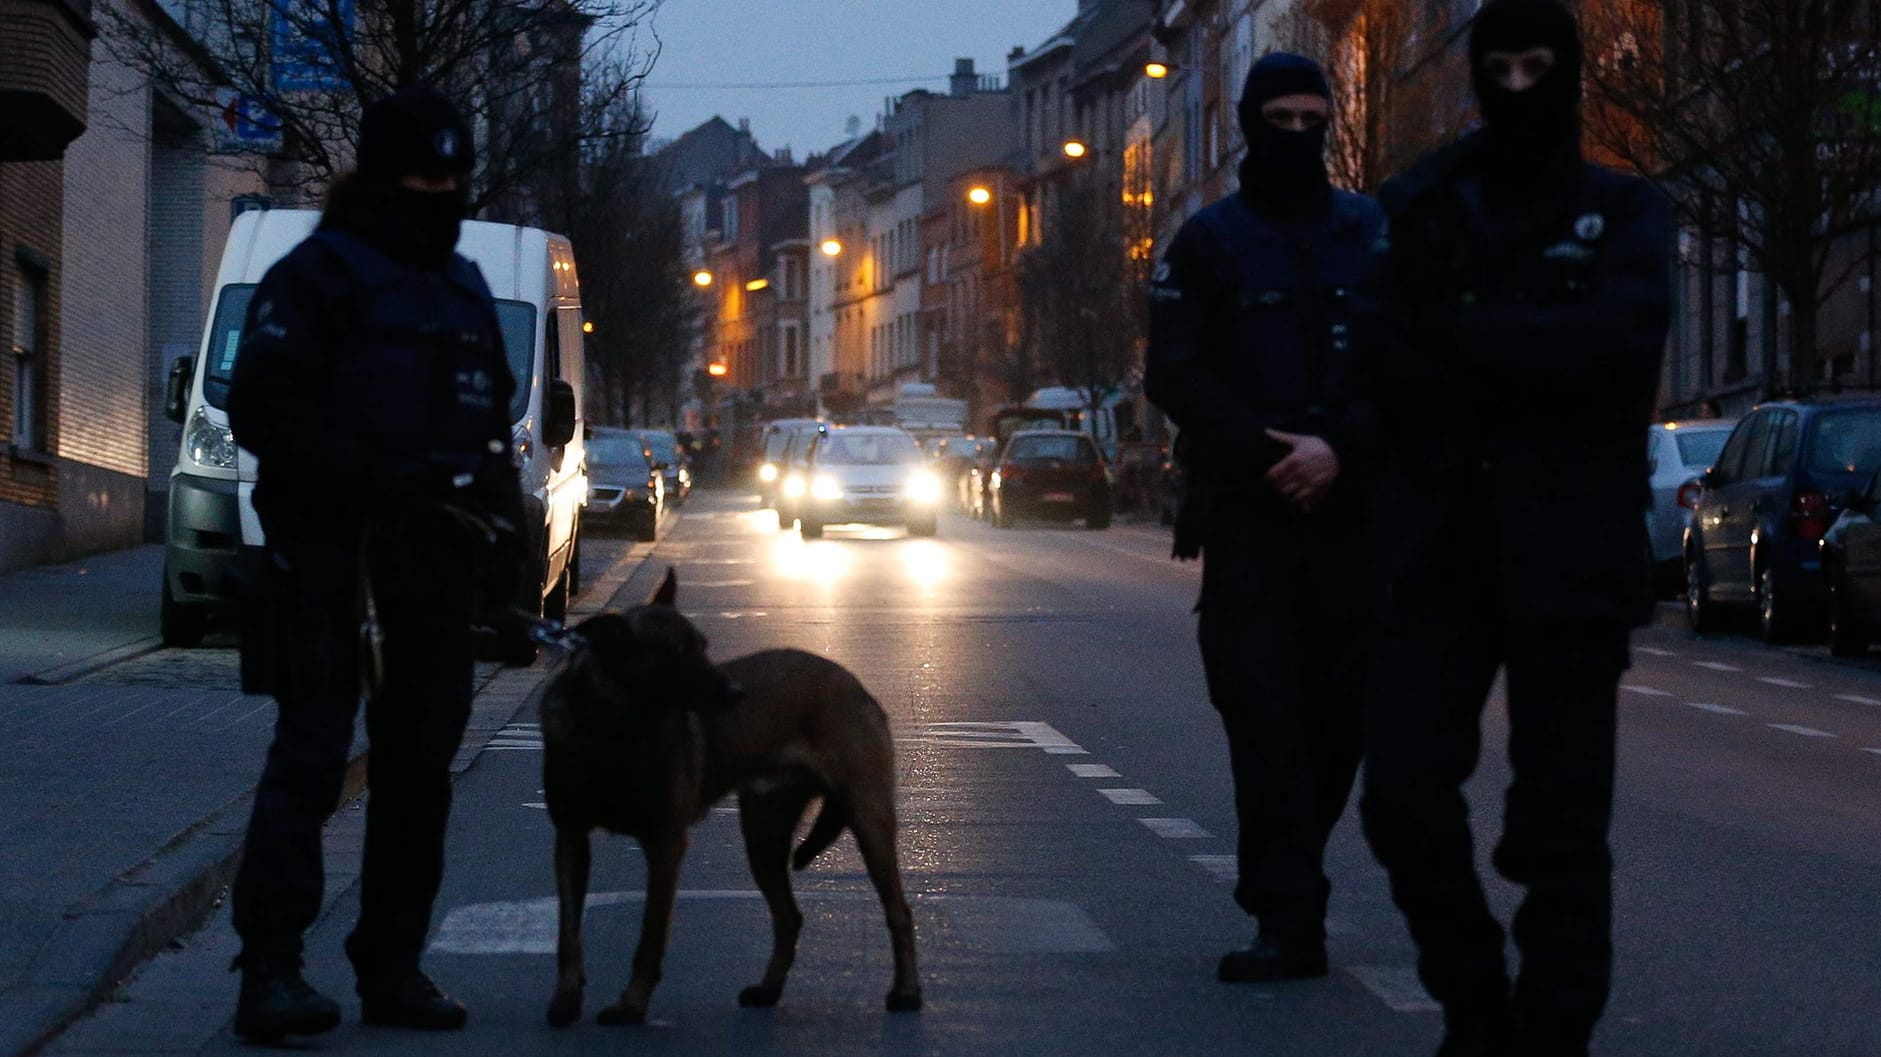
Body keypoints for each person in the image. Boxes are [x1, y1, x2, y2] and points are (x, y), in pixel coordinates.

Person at [1357, 2, 1672, 1054]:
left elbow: (1619, 348)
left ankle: (1553, 1033)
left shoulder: (1625, 211)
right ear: (1475, 71)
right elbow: (1384, 362)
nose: (1523, 86)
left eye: (1543, 66)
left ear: (1571, 74)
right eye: (1503, 67)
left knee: (1561, 824)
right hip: (1439, 547)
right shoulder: (1425, 201)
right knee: (1402, 797)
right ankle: (1478, 1005)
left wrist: (1469, 341)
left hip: (1573, 553)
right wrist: (1531, 348)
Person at [223, 86, 527, 1041]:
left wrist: (505, 559)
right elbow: (262, 410)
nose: (436, 191)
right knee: (312, 759)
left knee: (420, 770)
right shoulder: (315, 276)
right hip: (331, 558)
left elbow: (492, 434)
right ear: (380, 172)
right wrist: (368, 479)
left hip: (434, 567)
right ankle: (270, 968)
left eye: (451, 175)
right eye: (420, 174)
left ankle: (390, 965)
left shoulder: (466, 284)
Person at [1144, 52, 1385, 983]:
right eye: (1278, 119)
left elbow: (1410, 361)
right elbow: (1175, 372)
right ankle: (1288, 913)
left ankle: (1289, 875)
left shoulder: (1372, 234)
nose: (1297, 135)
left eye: (1310, 118)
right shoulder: (1207, 243)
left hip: (1355, 522)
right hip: (1248, 522)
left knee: (1340, 723)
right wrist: (1265, 451)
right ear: (1249, 124)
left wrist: (1339, 451)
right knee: (1263, 718)